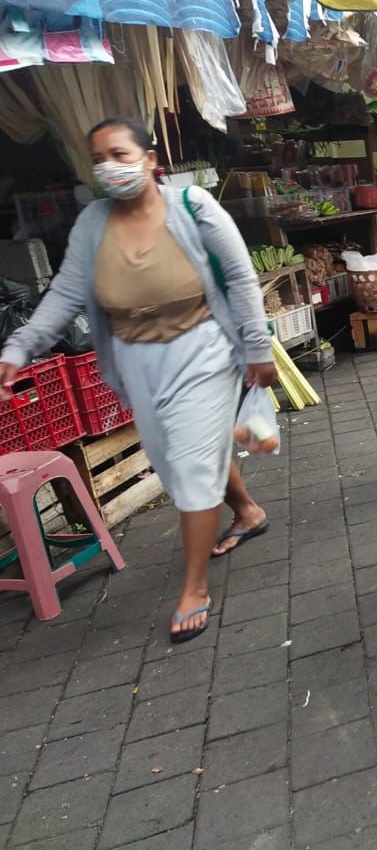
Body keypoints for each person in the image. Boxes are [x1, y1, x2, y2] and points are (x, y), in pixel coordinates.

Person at [0, 117, 276, 642]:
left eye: (120, 155)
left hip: (201, 350)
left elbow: (241, 277)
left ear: (150, 160)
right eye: (98, 159)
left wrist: (257, 347)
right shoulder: (92, 224)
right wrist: (19, 346)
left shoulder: (194, 207)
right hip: (134, 360)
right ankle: (246, 509)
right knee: (178, 457)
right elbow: (65, 294)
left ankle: (194, 589)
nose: (109, 167)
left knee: (191, 466)